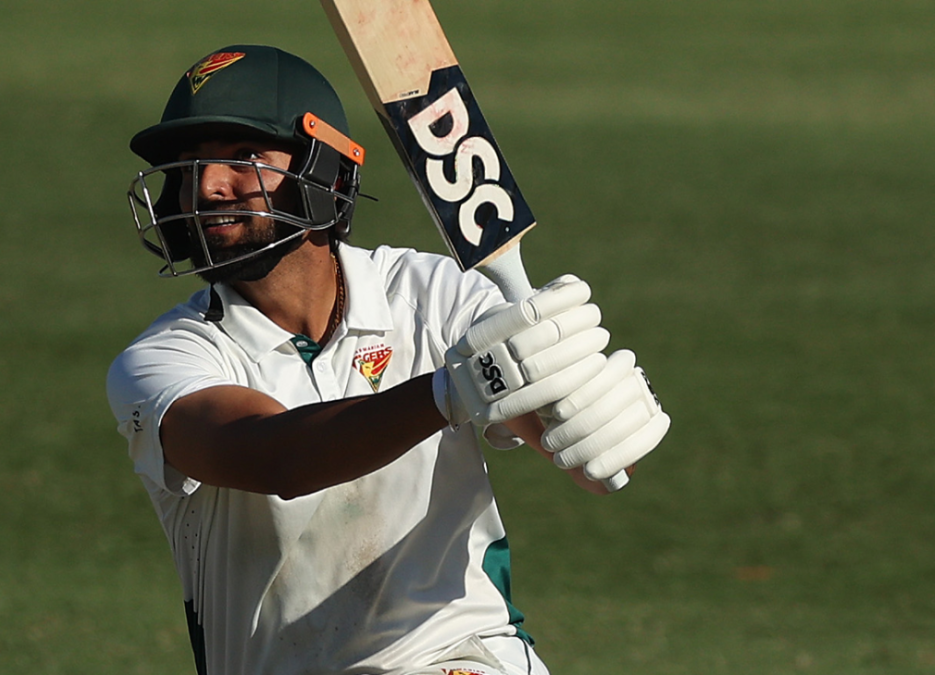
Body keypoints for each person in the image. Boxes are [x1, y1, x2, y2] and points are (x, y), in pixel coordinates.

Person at [107, 45, 670, 675]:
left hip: (462, 654)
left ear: (326, 171)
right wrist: (446, 394)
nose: (207, 187)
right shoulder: (166, 358)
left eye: (243, 160)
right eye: (188, 169)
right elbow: (275, 457)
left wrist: (582, 415)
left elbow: (553, 431)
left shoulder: (435, 296)